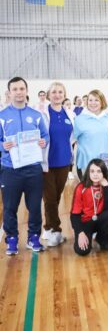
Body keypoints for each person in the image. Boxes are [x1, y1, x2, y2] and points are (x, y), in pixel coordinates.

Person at [1, 77, 49, 254]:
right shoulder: (2, 116)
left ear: (27, 91)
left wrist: (43, 141)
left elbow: (45, 135)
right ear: (9, 92)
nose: (19, 92)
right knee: (10, 207)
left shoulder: (36, 115)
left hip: (33, 169)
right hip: (10, 169)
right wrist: (2, 145)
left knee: (34, 207)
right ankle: (12, 239)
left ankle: (33, 237)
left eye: (22, 88)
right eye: (15, 89)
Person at [41, 81, 75, 247]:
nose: (57, 95)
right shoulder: (42, 113)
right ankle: (56, 230)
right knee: (49, 198)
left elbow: (73, 137)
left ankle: (48, 227)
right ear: (49, 95)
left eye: (60, 92)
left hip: (64, 162)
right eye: (54, 92)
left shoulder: (70, 114)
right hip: (46, 162)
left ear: (64, 94)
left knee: (56, 196)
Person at [70, 159, 108, 256]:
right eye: (92, 171)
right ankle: (88, 236)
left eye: (99, 171)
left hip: (101, 220)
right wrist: (80, 232)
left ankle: (102, 238)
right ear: (88, 173)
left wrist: (106, 187)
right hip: (85, 223)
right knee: (82, 251)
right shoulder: (81, 187)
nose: (95, 174)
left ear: (104, 173)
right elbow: (74, 215)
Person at [73, 89, 108, 179]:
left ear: (102, 102)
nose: (93, 103)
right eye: (90, 100)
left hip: (105, 162)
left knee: (105, 186)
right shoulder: (79, 119)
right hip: (87, 163)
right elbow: (73, 140)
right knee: (88, 187)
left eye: (96, 100)